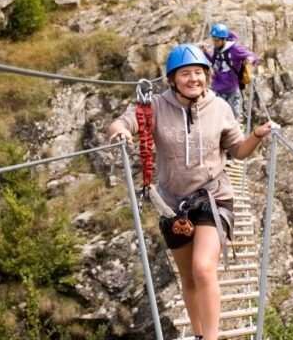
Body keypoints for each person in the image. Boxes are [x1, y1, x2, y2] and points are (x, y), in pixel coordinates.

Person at [108, 44, 273, 340]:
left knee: (203, 268)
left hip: (214, 197)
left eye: (199, 72)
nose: (193, 79)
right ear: (172, 79)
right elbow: (124, 121)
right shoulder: (155, 106)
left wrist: (256, 136)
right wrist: (120, 131)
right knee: (188, 277)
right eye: (186, 74)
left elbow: (237, 151)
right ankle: (198, 335)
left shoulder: (220, 108)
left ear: (207, 76)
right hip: (173, 205)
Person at [201, 23, 259, 120]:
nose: (215, 43)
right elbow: (214, 61)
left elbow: (254, 56)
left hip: (231, 90)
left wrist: (250, 59)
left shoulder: (235, 49)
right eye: (213, 40)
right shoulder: (217, 48)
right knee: (218, 118)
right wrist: (206, 52)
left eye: (217, 40)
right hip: (217, 89)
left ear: (224, 39)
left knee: (233, 117)